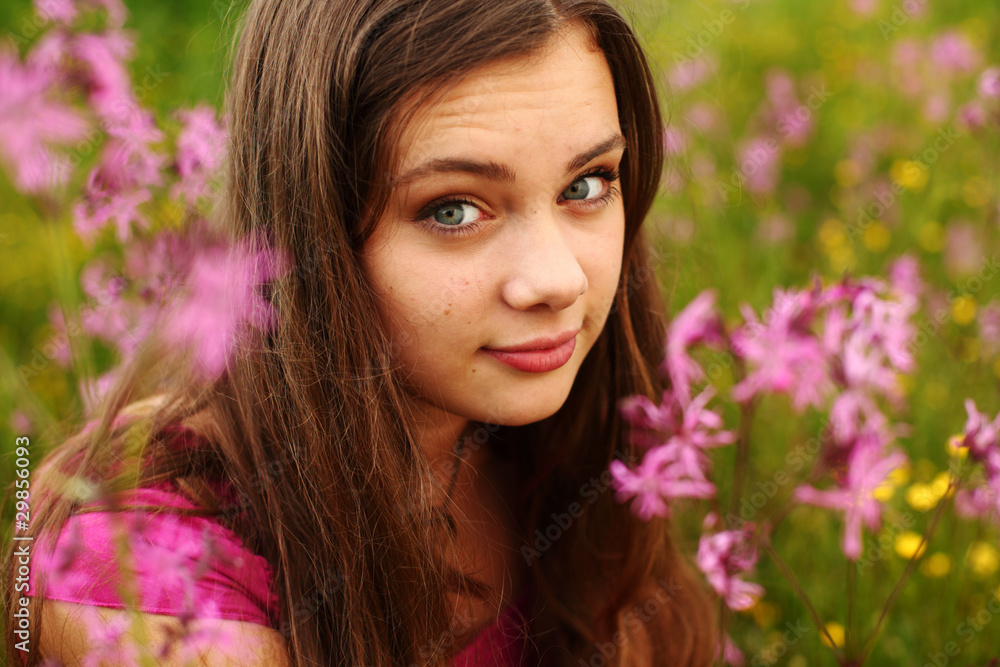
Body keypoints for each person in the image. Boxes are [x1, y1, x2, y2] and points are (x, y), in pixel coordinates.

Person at [3, 0, 717, 664]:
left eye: (587, 184)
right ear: (310, 229)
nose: (559, 280)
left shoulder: (567, 448)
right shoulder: (137, 559)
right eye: (453, 210)